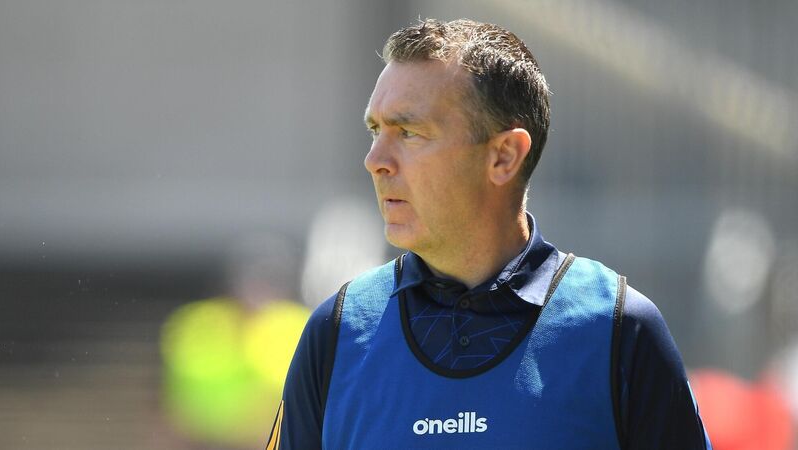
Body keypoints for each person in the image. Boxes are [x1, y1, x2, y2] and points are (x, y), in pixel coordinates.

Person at [266, 18, 711, 449]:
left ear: (504, 156)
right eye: (375, 130)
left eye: (409, 132)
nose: (375, 160)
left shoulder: (618, 329)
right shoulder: (337, 331)